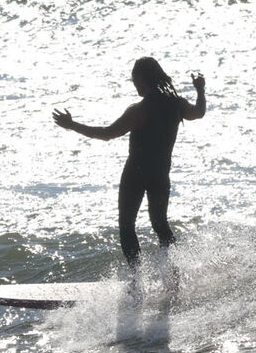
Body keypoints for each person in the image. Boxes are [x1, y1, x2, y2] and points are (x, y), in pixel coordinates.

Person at [52, 57, 206, 272]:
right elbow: (199, 112)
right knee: (161, 225)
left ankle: (136, 278)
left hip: (136, 174)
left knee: (126, 226)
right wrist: (200, 90)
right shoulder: (177, 105)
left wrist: (72, 125)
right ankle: (172, 275)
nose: (135, 86)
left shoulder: (139, 110)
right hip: (160, 175)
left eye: (135, 81)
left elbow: (107, 134)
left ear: (142, 79)